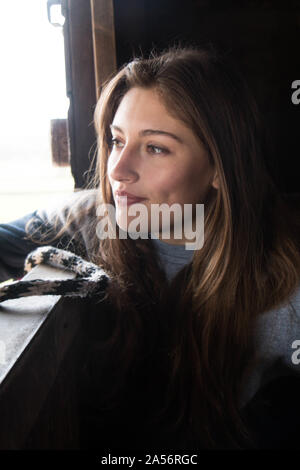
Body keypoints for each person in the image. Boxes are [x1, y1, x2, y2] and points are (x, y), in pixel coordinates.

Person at [0, 46, 300, 450]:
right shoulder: (87, 220)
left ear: (218, 167)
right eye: (116, 140)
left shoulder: (282, 286)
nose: (119, 170)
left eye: (155, 147)